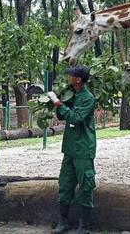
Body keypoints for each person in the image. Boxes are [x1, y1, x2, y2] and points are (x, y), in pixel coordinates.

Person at [47, 65, 96, 234]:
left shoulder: (87, 98)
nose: (68, 78)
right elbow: (62, 115)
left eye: (71, 76)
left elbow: (76, 117)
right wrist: (59, 102)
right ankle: (63, 222)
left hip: (83, 148)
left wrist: (59, 104)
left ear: (78, 80)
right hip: (70, 148)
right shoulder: (72, 95)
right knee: (65, 184)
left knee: (86, 186)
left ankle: (84, 226)